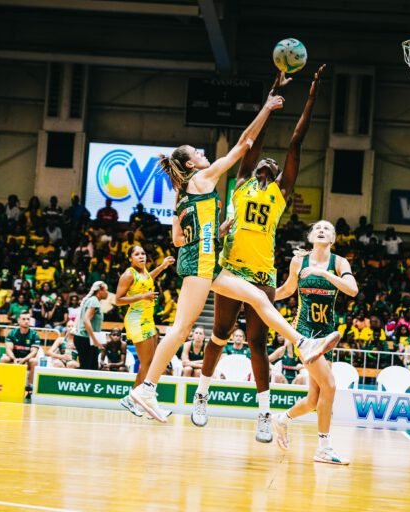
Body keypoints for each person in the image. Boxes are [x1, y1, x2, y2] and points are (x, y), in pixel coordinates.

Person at [131, 70, 339, 424]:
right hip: (206, 263)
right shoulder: (208, 178)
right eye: (196, 153)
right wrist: (268, 104)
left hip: (213, 261)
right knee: (184, 329)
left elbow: (178, 237)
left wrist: (213, 232)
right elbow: (245, 143)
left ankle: (304, 344)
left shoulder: (189, 192)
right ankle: (148, 388)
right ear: (189, 164)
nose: (202, 153)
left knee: (258, 299)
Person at [190, 67, 327, 441]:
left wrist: (311, 97)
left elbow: (296, 143)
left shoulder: (279, 193)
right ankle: (202, 395)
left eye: (275, 164)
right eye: (264, 160)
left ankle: (264, 414)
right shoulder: (241, 183)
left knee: (257, 344)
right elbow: (253, 141)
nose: (269, 161)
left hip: (263, 275)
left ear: (279, 175)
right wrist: (272, 95)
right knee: (219, 334)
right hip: (230, 269)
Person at [271, 220, 359, 465]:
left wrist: (323, 273)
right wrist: (261, 297)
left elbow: (352, 290)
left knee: (314, 399)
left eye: (327, 228)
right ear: (310, 237)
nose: (321, 230)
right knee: (330, 386)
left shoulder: (339, 263)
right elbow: (287, 290)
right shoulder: (299, 261)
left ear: (333, 238)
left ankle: (282, 419)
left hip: (326, 333)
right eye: (317, 228)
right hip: (304, 332)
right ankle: (323, 447)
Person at [114, 246, 175, 416]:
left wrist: (162, 267)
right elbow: (118, 300)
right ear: (130, 258)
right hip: (137, 320)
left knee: (150, 363)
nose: (141, 256)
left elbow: (148, 278)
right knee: (148, 364)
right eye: (137, 254)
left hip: (148, 319)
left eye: (143, 254)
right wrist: (143, 296)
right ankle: (146, 403)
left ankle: (134, 399)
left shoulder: (143, 272)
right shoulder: (128, 274)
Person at [0, 312, 41, 391]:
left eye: (28, 319)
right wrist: (14, 359)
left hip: (27, 360)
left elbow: (34, 352)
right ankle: (1, 383)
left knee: (34, 361)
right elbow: (8, 349)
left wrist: (24, 360)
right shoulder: (12, 333)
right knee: (4, 359)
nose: (26, 321)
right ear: (19, 320)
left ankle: (30, 387)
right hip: (14, 358)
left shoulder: (34, 334)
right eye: (24, 319)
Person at [73, 281, 108, 370]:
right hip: (85, 339)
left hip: (87, 339)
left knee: (92, 368)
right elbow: (86, 320)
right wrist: (95, 340)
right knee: (87, 369)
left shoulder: (93, 301)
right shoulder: (93, 301)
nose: (107, 293)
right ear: (100, 290)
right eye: (106, 290)